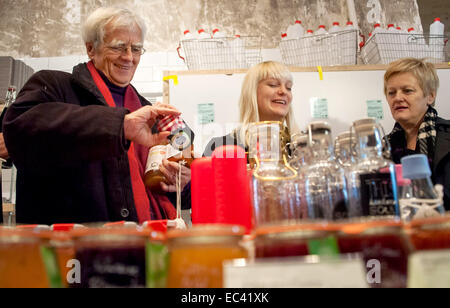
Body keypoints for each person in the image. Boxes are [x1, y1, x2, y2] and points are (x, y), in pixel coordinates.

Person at [3, 7, 192, 225]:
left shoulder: (147, 110)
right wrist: (120, 126)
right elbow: (20, 129)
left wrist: (181, 182)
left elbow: (177, 195)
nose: (129, 57)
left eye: (136, 49)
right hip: (73, 249)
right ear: (91, 49)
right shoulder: (54, 86)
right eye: (119, 47)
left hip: (148, 245)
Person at [384, 58, 450, 211]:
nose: (398, 98)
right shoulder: (384, 148)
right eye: (391, 93)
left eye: (407, 90)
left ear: (430, 96)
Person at [203, 61, 299, 156]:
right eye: (273, 85)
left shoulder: (302, 148)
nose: (284, 91)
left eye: (288, 87)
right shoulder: (220, 148)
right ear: (252, 92)